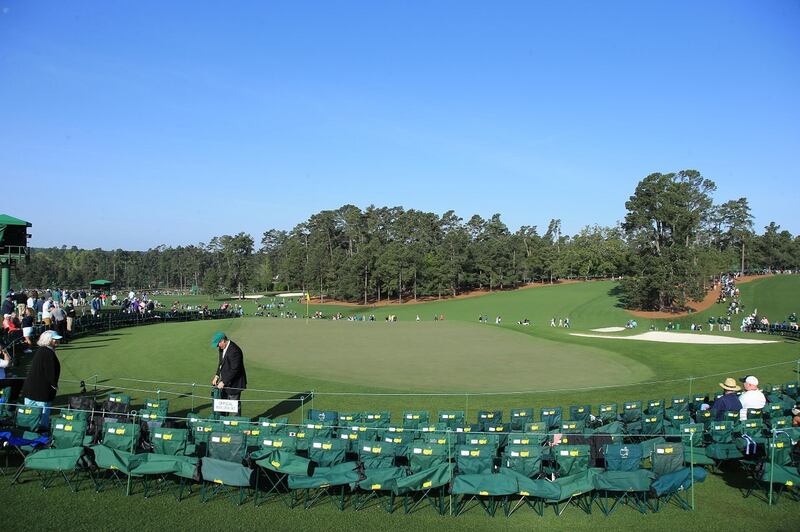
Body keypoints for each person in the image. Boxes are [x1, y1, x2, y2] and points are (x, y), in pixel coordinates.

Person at [19, 330, 62, 428]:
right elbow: (50, 373)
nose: (57, 341)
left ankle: (29, 431)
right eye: (54, 339)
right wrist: (54, 385)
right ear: (49, 340)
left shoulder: (42, 351)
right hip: (41, 391)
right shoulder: (48, 353)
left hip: (31, 389)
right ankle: (41, 434)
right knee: (42, 415)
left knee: (29, 415)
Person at [211, 332, 247, 415]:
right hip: (225, 383)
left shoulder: (235, 351)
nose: (218, 346)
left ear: (223, 341)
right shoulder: (221, 348)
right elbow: (221, 363)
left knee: (234, 409)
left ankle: (236, 425)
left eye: (218, 344)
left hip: (234, 384)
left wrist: (223, 382)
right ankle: (224, 425)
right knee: (223, 407)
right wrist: (217, 376)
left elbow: (234, 370)